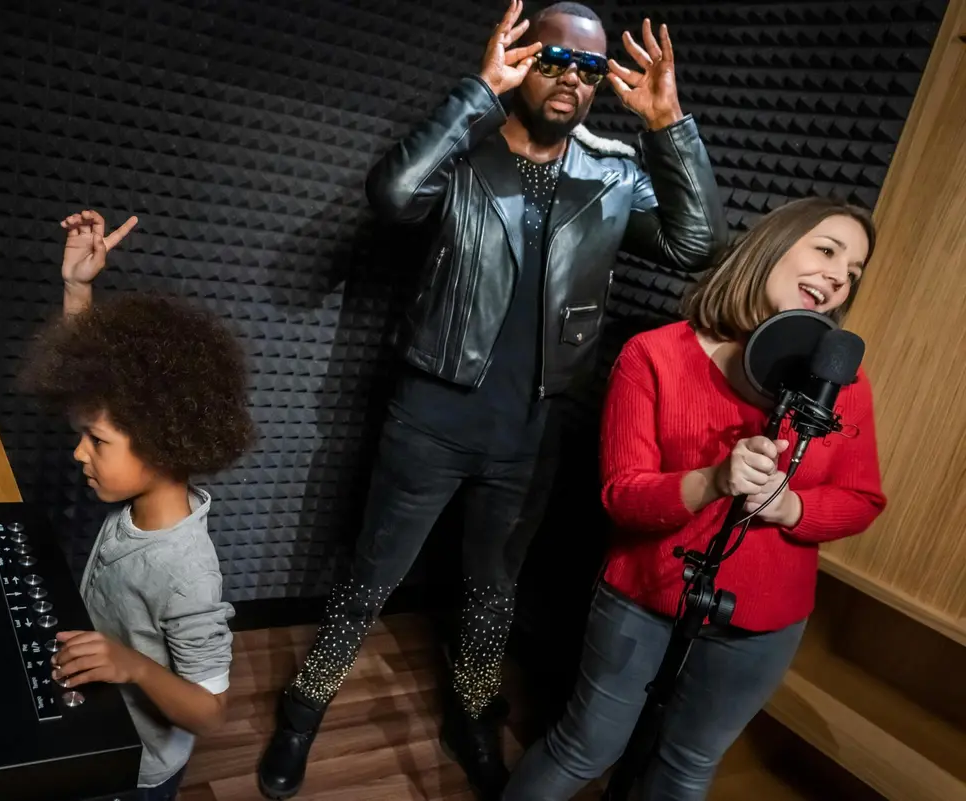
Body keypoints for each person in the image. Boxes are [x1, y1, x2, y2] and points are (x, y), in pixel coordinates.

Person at [257, 2, 727, 798]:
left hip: (530, 432)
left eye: (588, 68)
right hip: (430, 416)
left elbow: (696, 244)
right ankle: (304, 710)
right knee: (372, 575)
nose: (570, 79)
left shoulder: (612, 175)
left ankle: (472, 713)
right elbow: (395, 195)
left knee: (491, 590)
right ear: (520, 56)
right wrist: (478, 90)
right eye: (554, 58)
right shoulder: (464, 155)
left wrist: (668, 124)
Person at [501, 197, 888, 800]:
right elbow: (621, 496)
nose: (840, 276)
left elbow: (863, 499)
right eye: (828, 250)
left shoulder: (845, 384)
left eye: (855, 271)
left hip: (765, 620)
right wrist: (714, 481)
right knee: (587, 747)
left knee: (686, 766)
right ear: (772, 248)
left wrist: (793, 509)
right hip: (645, 595)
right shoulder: (655, 355)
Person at [20, 209, 257, 801]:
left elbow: (209, 714)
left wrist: (131, 666)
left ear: (161, 439)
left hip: (140, 771)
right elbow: (99, 388)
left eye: (95, 442)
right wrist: (78, 288)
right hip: (100, 723)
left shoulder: (186, 574)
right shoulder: (135, 504)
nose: (78, 453)